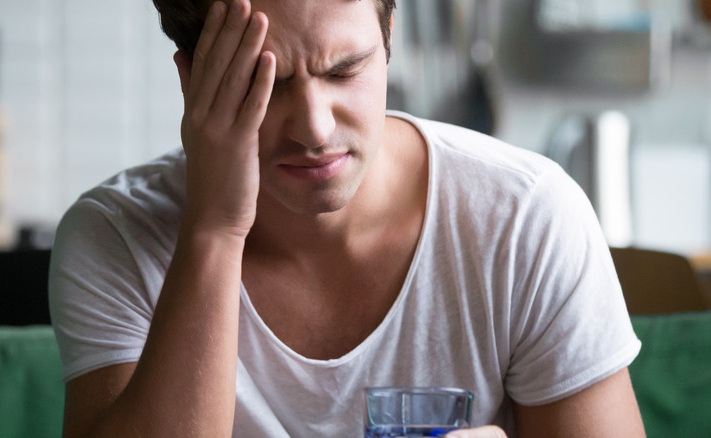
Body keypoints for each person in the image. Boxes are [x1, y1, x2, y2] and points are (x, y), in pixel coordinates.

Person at [48, 0, 646, 436]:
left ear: (389, 34)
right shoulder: (116, 236)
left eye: (344, 71)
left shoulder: (525, 217)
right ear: (192, 82)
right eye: (268, 83)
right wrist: (214, 230)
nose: (314, 126)